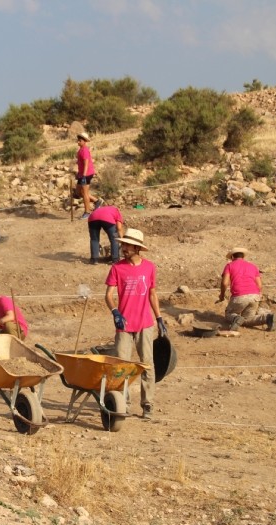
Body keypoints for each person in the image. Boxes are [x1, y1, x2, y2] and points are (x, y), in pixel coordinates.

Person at [104, 228, 166, 420]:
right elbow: (108, 295)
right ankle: (124, 403)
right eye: (122, 244)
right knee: (122, 366)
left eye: (126, 245)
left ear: (136, 248)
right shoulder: (117, 268)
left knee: (147, 365)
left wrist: (159, 318)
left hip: (145, 324)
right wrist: (115, 311)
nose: (123, 248)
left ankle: (148, 405)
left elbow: (152, 294)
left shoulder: (149, 268)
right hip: (124, 325)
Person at [218, 247, 276, 332]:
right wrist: (257, 295)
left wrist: (222, 296)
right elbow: (259, 285)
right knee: (247, 319)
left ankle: (235, 318)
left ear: (232, 257)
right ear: (243, 257)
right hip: (255, 296)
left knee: (229, 313)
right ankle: (267, 318)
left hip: (239, 296)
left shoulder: (229, 265)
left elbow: (224, 283)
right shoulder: (253, 266)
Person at [75, 133, 102, 220]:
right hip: (81, 174)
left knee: (85, 193)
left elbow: (86, 163)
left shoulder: (85, 150)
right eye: (78, 140)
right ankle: (97, 201)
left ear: (85, 141)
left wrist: (83, 176)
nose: (78, 142)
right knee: (79, 192)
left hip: (86, 174)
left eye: (80, 140)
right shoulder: (81, 149)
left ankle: (87, 212)